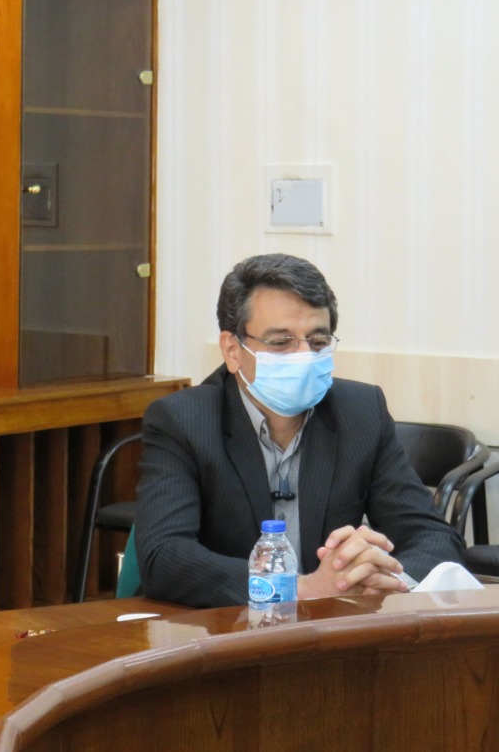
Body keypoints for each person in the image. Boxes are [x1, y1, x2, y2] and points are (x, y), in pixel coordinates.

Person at [134, 253, 464, 609]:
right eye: (281, 342)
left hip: (332, 623)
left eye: (318, 341)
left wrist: (386, 580)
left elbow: (432, 536)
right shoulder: (183, 420)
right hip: (221, 625)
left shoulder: (361, 411)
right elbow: (164, 556)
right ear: (232, 350)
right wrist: (299, 589)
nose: (304, 356)